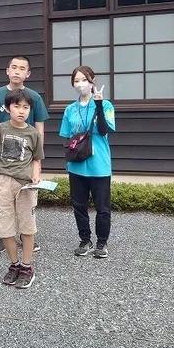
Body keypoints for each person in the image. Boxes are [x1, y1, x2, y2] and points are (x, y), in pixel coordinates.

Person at [0, 56, 49, 253]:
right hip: (0, 160)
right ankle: (5, 236)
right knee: (2, 201)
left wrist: (37, 158)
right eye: (13, 67)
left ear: (27, 74)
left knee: (26, 200)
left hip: (25, 160)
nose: (17, 71)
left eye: (22, 68)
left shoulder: (34, 97)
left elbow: (39, 127)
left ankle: (27, 235)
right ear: (7, 70)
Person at [0, 89, 43, 289]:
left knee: (27, 225)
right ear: (8, 108)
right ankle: (14, 265)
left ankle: (27, 267)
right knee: (5, 227)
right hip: (4, 180)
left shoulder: (33, 133)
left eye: (25, 107)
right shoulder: (0, 128)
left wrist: (36, 174)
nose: (21, 111)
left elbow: (36, 159)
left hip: (25, 185)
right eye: (16, 106)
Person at [59, 65, 116, 259]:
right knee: (79, 205)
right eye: (77, 80)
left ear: (93, 81)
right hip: (76, 165)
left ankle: (102, 243)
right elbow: (66, 136)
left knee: (102, 207)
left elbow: (103, 130)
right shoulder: (69, 109)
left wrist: (99, 104)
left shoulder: (106, 105)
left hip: (99, 165)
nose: (80, 84)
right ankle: (85, 240)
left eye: (84, 79)